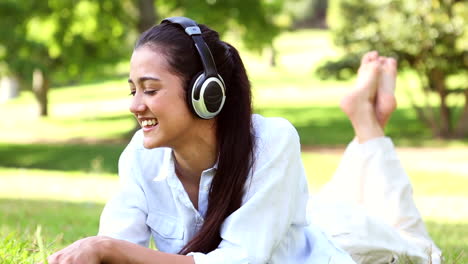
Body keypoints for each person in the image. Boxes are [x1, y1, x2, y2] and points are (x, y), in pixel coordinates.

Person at [46, 17, 441, 264]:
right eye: (132, 89)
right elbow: (114, 248)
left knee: (416, 247)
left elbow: (241, 260)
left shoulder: (272, 140)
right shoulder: (138, 157)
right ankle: (367, 123)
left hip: (335, 245)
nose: (135, 105)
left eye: (150, 90)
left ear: (206, 93)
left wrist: (109, 250)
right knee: (338, 200)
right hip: (289, 220)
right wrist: (103, 251)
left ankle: (368, 124)